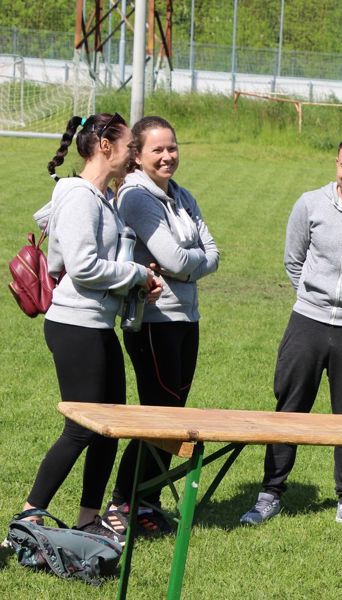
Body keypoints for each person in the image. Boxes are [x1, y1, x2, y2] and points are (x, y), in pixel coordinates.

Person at [240, 133, 342, 531]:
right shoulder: (309, 204)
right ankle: (269, 494)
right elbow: (293, 261)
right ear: (337, 164)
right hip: (307, 322)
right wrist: (315, 300)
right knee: (289, 408)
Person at [21, 113, 162, 540]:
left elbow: (98, 263)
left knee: (109, 426)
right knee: (82, 426)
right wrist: (136, 274)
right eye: (129, 147)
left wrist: (138, 284)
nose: (133, 155)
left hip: (97, 325)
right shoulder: (80, 197)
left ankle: (88, 518)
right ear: (105, 147)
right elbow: (82, 267)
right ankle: (28, 517)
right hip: (74, 325)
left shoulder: (100, 198)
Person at [103, 116, 220, 536]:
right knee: (159, 414)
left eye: (172, 147)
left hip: (186, 316)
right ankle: (123, 502)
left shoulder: (181, 195)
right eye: (158, 149)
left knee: (172, 413)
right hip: (154, 320)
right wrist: (187, 265)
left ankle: (146, 501)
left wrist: (187, 266)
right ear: (137, 155)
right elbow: (174, 258)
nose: (168, 155)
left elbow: (210, 253)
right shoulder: (137, 196)